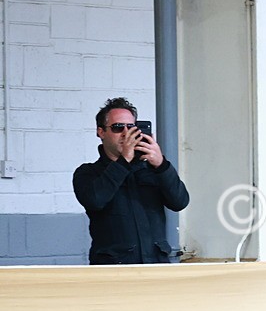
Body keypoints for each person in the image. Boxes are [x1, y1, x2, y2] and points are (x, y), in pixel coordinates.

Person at [73, 97, 190, 265]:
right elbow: (95, 200)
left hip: (156, 267)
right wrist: (124, 161)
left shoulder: (151, 169)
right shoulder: (88, 173)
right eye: (118, 127)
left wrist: (161, 165)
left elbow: (180, 201)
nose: (126, 133)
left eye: (131, 127)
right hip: (113, 271)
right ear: (101, 132)